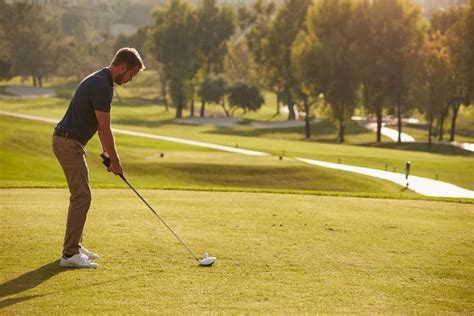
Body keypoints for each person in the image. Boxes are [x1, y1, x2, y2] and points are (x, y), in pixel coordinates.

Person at [52, 48, 145, 268]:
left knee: (81, 195)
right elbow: (105, 128)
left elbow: (97, 126)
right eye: (131, 74)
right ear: (122, 67)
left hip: (71, 142)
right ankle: (70, 254)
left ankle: (75, 245)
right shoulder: (102, 86)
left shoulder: (101, 79)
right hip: (68, 143)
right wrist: (116, 161)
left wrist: (107, 154)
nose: (130, 80)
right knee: (82, 196)